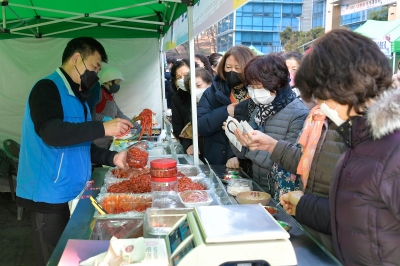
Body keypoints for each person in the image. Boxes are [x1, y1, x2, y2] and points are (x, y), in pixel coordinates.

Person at [280, 29, 399, 265]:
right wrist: (303, 203)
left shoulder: (393, 151)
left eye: (321, 97)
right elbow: (357, 218)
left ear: (344, 85)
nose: (320, 106)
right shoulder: (357, 142)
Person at [15, 37, 133, 266]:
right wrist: (103, 127)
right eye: (94, 67)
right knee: (54, 259)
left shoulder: (78, 98)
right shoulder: (47, 88)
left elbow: (80, 144)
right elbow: (51, 132)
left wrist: (112, 157)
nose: (96, 75)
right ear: (76, 58)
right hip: (48, 195)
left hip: (72, 192)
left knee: (70, 258)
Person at [230, 54, 309, 195]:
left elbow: (291, 159)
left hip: (281, 192)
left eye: (258, 86)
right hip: (258, 184)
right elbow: (244, 154)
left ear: (277, 83)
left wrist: (252, 148)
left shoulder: (299, 112)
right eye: (251, 87)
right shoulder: (258, 108)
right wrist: (236, 138)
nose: (254, 92)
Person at [197, 45, 255, 167]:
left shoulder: (257, 92)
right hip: (217, 159)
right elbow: (200, 125)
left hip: (249, 162)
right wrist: (225, 111)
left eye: (237, 68)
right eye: (228, 67)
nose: (232, 71)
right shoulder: (212, 91)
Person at [171, 67, 213, 162]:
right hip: (197, 153)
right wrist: (188, 144)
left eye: (198, 85)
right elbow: (180, 128)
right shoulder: (189, 104)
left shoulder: (218, 102)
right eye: (178, 77)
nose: (195, 90)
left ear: (210, 84)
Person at [92, 67, 139, 149]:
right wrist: (104, 118)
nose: (118, 85)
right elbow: (89, 114)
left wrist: (134, 124)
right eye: (117, 82)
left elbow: (120, 114)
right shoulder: (99, 93)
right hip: (96, 140)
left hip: (106, 139)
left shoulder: (110, 96)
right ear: (109, 81)